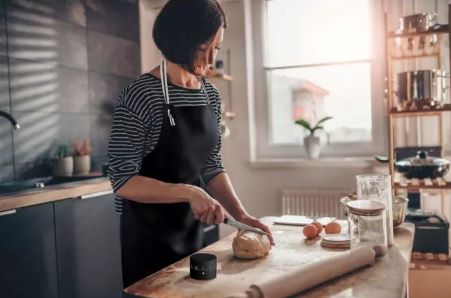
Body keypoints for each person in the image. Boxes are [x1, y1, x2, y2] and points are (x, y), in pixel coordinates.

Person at [107, 0, 274, 288]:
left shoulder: (210, 95)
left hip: (194, 235)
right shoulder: (140, 95)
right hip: (148, 241)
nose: (210, 59)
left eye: (217, 47)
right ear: (179, 39)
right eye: (202, 48)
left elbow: (211, 166)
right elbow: (122, 179)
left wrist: (241, 215)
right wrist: (188, 192)